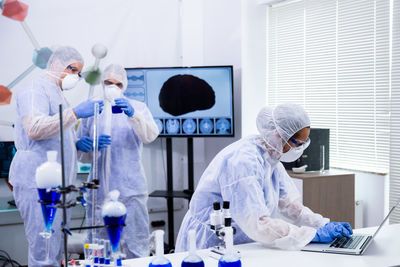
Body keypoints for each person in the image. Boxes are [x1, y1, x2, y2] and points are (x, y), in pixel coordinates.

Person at [176, 103, 353, 251]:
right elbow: (258, 223)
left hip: (240, 240)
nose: (298, 150)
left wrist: (322, 224)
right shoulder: (243, 162)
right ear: (278, 134)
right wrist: (311, 235)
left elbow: (290, 206)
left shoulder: (271, 157)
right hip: (210, 242)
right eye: (297, 144)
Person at [9, 46, 103, 266]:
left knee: (56, 250)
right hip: (38, 183)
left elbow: (55, 134)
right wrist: (77, 112)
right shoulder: (34, 89)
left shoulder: (56, 93)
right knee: (44, 251)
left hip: (58, 186)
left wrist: (75, 143)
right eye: (73, 70)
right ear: (55, 65)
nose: (76, 77)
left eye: (79, 73)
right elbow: (34, 128)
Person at [77, 64, 159, 258]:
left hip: (131, 191)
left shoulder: (138, 108)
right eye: (107, 82)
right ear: (102, 83)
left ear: (124, 86)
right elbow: (82, 155)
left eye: (117, 84)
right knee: (99, 247)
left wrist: (133, 115)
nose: (112, 87)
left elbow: (151, 135)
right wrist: (87, 145)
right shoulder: (91, 108)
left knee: (136, 244)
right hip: (99, 193)